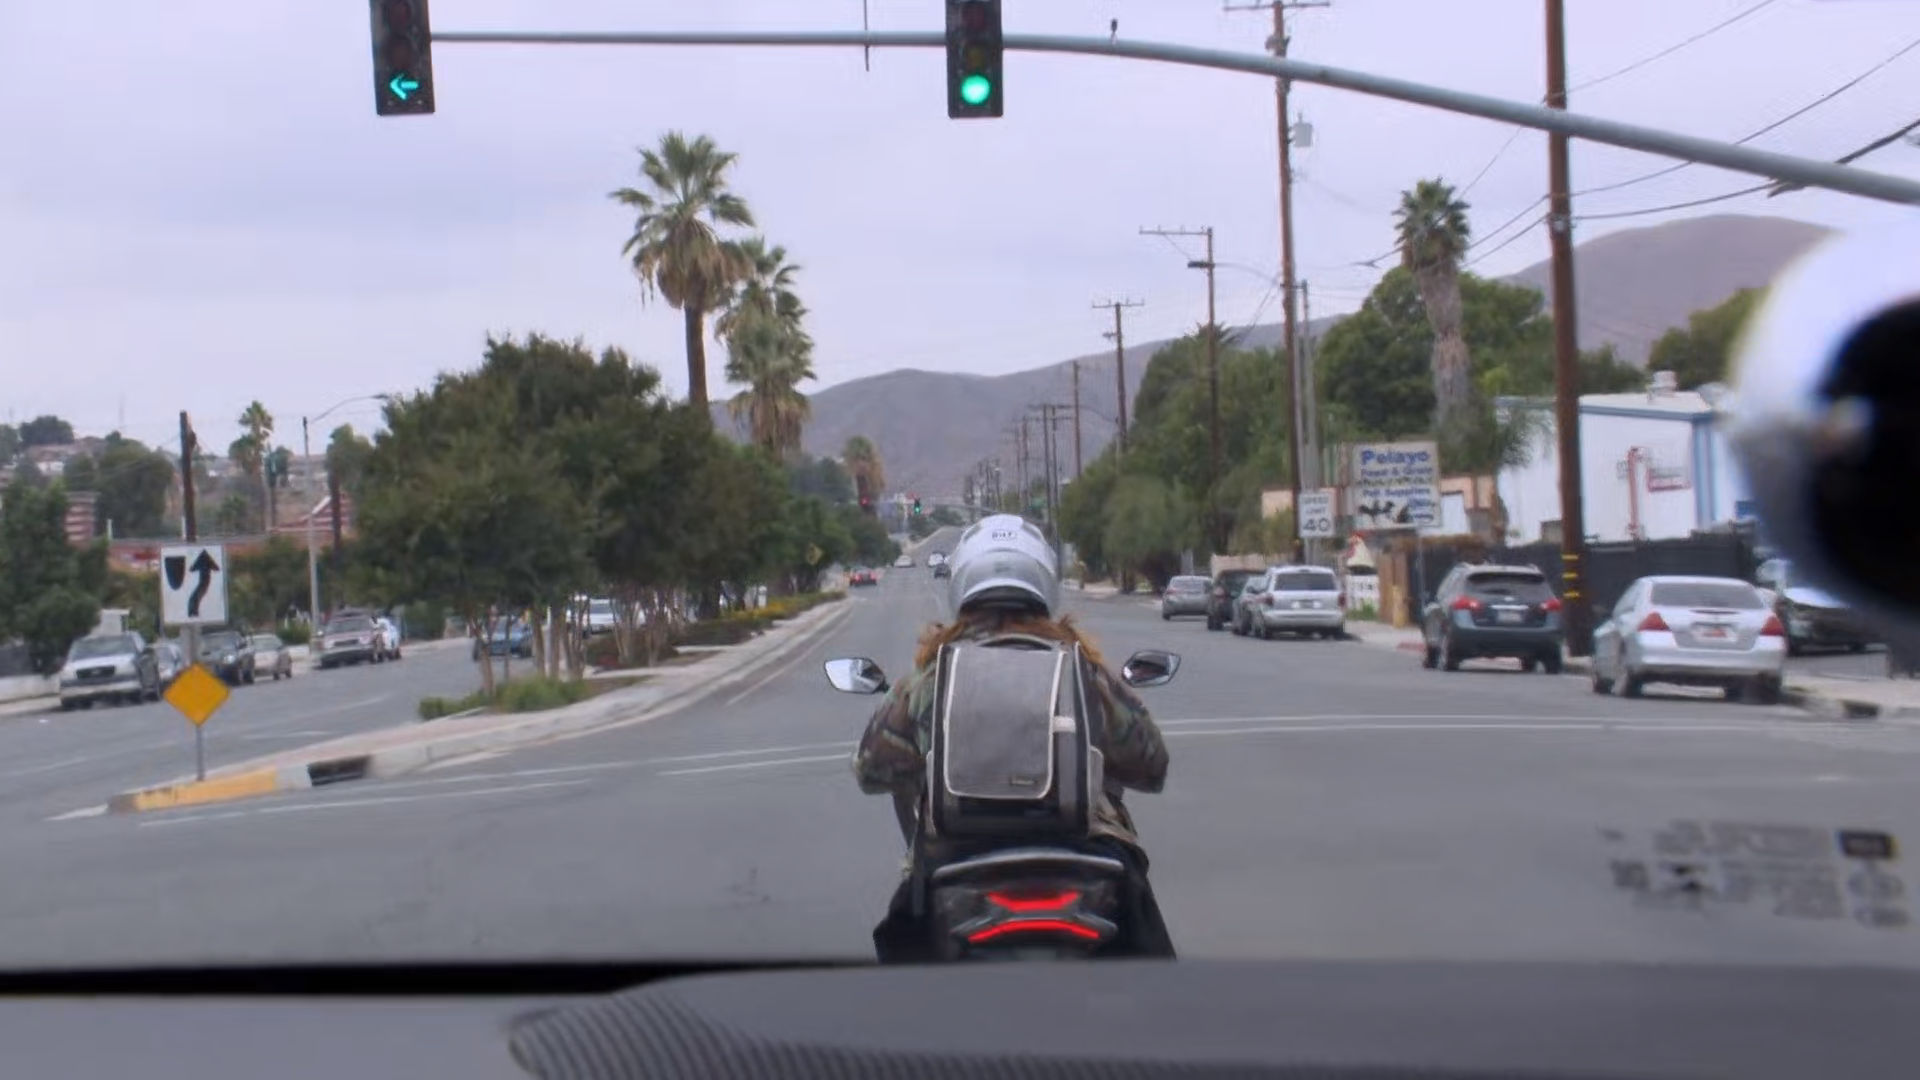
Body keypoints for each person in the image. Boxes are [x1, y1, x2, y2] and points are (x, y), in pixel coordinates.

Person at [850, 514, 1174, 962]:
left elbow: (871, 771)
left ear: (962, 585)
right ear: (1043, 582)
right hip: (1082, 852)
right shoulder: (1083, 671)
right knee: (1146, 954)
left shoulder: (928, 679)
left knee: (908, 960)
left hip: (953, 855)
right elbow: (1152, 765)